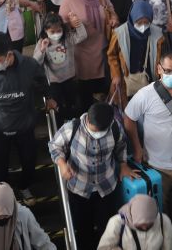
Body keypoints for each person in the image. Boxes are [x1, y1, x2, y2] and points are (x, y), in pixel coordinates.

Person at [0, 32, 55, 205]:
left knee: (29, 161)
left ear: (9, 54)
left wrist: (49, 97)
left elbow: (42, 82)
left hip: (24, 126)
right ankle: (1, 192)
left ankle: (24, 187)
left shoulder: (29, 65)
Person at [124, 51, 172, 215]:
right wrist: (137, 148)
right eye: (168, 71)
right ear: (159, 69)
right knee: (156, 205)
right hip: (157, 164)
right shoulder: (145, 94)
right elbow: (129, 118)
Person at [49, 102, 136, 250]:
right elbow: (54, 146)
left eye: (102, 131)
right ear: (88, 120)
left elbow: (121, 145)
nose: (98, 134)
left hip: (106, 187)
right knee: (83, 229)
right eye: (95, 130)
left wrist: (123, 165)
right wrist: (62, 164)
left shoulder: (114, 127)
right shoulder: (72, 128)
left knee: (107, 228)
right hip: (79, 188)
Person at [59, 0, 118, 113]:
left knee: (104, 83)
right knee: (85, 88)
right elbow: (60, 25)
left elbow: (110, 8)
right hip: (82, 51)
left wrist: (113, 18)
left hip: (102, 47)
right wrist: (71, 24)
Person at [33, 12, 87, 122]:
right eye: (52, 32)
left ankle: (73, 122)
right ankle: (60, 125)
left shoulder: (67, 38)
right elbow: (35, 62)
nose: (56, 34)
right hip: (54, 81)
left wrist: (78, 23)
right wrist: (42, 50)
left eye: (59, 31)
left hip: (69, 78)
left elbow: (82, 36)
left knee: (72, 102)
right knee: (57, 105)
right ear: (45, 31)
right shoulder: (42, 43)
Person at [107, 0, 164, 103]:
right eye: (139, 22)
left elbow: (162, 57)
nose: (143, 26)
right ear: (133, 19)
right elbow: (112, 55)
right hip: (126, 80)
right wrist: (115, 74)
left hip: (149, 80)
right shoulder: (120, 33)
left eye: (146, 22)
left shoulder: (158, 35)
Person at [98, 194, 172, 250]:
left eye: (149, 224)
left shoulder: (163, 221)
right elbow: (104, 248)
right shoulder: (116, 222)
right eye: (140, 224)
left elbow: (170, 246)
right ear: (132, 216)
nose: (145, 227)